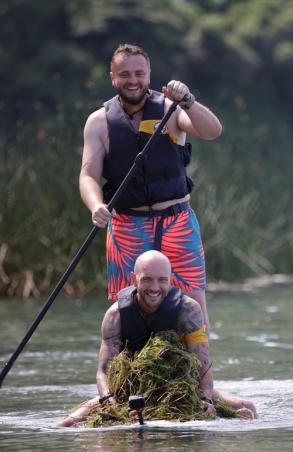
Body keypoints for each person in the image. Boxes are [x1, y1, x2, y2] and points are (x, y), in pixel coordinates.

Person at [79, 43, 221, 329]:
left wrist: (188, 101)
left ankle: (197, 366)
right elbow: (88, 176)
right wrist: (96, 205)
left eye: (139, 73)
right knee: (129, 310)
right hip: (127, 225)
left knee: (192, 308)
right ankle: (130, 368)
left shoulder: (171, 109)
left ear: (148, 75)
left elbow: (212, 131)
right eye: (124, 74)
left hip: (176, 222)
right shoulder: (98, 122)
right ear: (112, 77)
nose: (132, 80)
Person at [57, 251, 256, 427]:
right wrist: (109, 401)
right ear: (134, 279)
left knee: (247, 407)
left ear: (171, 279)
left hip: (182, 384)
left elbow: (203, 362)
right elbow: (103, 371)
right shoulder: (115, 316)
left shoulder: (189, 310)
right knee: (68, 423)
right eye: (147, 279)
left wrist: (206, 399)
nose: (154, 287)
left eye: (162, 280)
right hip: (130, 389)